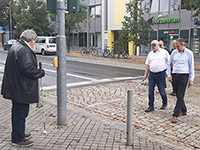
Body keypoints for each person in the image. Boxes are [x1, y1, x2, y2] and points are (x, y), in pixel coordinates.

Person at [1, 29, 45, 146]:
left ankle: (18, 132)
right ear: (31, 40)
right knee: (21, 113)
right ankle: (18, 138)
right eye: (34, 41)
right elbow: (28, 69)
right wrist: (40, 72)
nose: (34, 43)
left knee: (17, 112)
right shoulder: (24, 50)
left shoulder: (16, 46)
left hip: (14, 86)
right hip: (21, 88)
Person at [167, 38, 195, 123]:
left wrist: (191, 79)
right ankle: (184, 110)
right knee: (178, 94)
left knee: (180, 94)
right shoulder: (174, 52)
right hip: (175, 75)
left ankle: (176, 114)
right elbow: (169, 64)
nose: (176, 48)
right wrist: (169, 75)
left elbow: (191, 66)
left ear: (183, 45)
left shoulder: (189, 53)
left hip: (184, 75)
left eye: (178, 46)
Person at [143, 40, 170, 112]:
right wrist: (145, 74)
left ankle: (164, 103)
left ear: (158, 45)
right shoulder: (150, 53)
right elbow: (147, 64)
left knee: (161, 90)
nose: (153, 47)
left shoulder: (164, 52)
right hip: (152, 74)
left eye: (154, 45)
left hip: (160, 74)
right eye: (152, 45)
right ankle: (151, 106)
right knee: (150, 90)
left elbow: (169, 62)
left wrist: (168, 73)